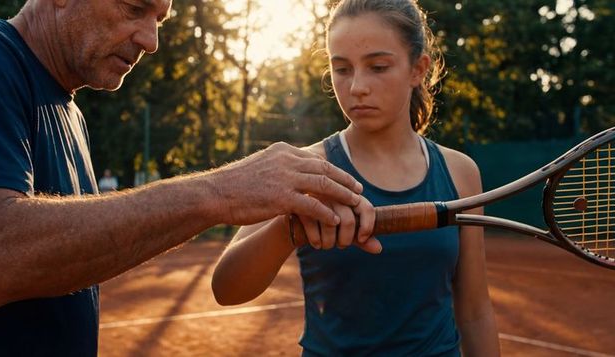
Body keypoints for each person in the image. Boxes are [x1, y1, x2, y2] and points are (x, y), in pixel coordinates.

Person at [0, 0, 376, 355]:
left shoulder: (71, 113)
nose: (151, 41)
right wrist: (222, 192)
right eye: (134, 8)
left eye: (160, 20)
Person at [211, 0, 500, 355]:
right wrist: (289, 228)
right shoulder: (304, 167)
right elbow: (226, 289)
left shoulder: (461, 172)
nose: (357, 86)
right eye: (342, 69)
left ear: (418, 69)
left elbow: (474, 312)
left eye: (378, 67)